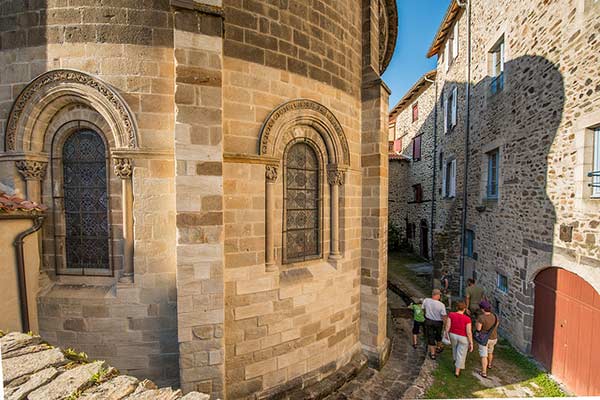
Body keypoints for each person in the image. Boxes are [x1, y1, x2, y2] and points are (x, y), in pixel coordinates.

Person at [444, 301, 473, 377]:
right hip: (463, 337)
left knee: (454, 348)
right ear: (464, 309)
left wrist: (446, 334)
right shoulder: (467, 319)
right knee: (461, 353)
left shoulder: (451, 315)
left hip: (453, 335)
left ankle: (455, 360)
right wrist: (471, 342)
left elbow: (447, 326)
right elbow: (469, 332)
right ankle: (457, 371)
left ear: (457, 307)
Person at [475, 300, 499, 378]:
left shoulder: (481, 318)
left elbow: (478, 329)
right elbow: (496, 325)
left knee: (484, 355)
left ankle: (484, 372)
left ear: (482, 309)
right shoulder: (495, 316)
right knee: (490, 352)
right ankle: (489, 364)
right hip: (494, 337)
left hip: (484, 339)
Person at [422, 289, 448, 360]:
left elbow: (423, 309)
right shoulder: (441, 305)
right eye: (439, 295)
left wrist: (425, 315)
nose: (440, 296)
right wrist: (446, 326)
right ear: (437, 295)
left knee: (430, 337)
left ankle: (433, 354)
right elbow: (444, 316)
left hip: (428, 321)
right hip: (438, 322)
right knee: (438, 335)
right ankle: (439, 347)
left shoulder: (426, 300)